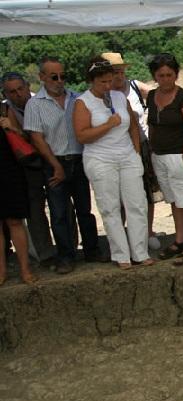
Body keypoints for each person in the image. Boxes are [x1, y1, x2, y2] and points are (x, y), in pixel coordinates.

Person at [25, 56, 105, 274]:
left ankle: (91, 250)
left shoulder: (76, 98)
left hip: (78, 159)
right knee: (59, 214)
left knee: (85, 210)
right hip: (54, 161)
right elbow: (37, 138)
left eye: (63, 76)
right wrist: (55, 165)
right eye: (54, 76)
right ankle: (66, 256)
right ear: (42, 77)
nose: (59, 80)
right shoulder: (35, 104)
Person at [73, 57, 153, 269]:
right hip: (100, 158)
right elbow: (82, 136)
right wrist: (108, 125)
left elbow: (133, 127)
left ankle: (140, 251)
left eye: (111, 80)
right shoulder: (83, 102)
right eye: (103, 82)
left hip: (126, 155)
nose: (108, 86)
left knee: (137, 204)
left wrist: (135, 152)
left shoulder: (119, 97)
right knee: (110, 208)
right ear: (92, 81)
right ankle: (121, 254)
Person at [101, 52, 160, 251]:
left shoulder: (134, 86)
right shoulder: (100, 94)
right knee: (118, 197)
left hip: (141, 145)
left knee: (145, 193)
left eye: (120, 71)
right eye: (114, 72)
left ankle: (148, 231)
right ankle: (125, 236)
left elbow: (158, 95)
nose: (118, 76)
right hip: (113, 149)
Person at [146, 53, 183, 260]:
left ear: (176, 74)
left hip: (179, 154)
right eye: (161, 75)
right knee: (173, 200)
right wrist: (152, 150)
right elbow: (151, 124)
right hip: (159, 155)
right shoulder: (151, 96)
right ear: (155, 76)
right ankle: (179, 239)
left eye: (170, 74)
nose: (166, 79)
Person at [1, 71, 56, 264]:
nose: (17, 94)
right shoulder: (5, 111)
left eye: (20, 89)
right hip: (28, 165)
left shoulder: (43, 101)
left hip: (53, 158)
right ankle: (46, 253)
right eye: (12, 91)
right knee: (35, 211)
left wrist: (16, 129)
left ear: (27, 87)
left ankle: (69, 249)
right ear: (5, 94)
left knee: (61, 208)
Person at [0, 125, 37, 285]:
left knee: (15, 221)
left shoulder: (4, 111)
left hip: (9, 171)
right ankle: (1, 271)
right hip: (9, 172)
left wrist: (12, 128)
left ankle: (25, 269)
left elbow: (25, 137)